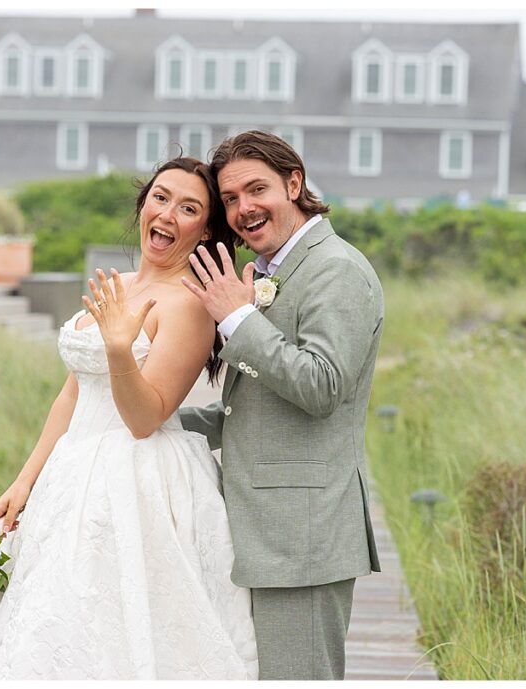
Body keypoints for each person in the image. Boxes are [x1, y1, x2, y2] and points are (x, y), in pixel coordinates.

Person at [0, 157, 259, 680]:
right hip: (70, 476)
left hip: (136, 481)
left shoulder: (188, 306)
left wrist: (119, 350)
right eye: (160, 198)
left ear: (205, 228)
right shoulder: (121, 284)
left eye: (188, 208)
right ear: (143, 204)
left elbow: (145, 417)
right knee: (49, 623)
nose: (167, 215)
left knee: (123, 627)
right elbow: (71, 395)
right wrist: (25, 481)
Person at [180, 130, 384, 680]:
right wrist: (162, 425)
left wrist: (238, 319)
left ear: (294, 183)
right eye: (229, 198)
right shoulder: (275, 271)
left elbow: (321, 386)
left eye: (256, 189)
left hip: (302, 540)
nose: (243, 208)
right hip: (261, 534)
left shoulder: (335, 270)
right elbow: (257, 406)